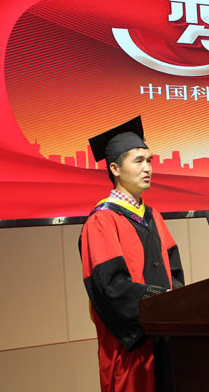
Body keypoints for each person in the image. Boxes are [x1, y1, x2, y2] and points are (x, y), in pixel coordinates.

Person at [79, 116, 184, 392]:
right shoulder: (102, 221)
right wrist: (160, 303)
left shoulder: (154, 216)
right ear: (115, 168)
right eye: (138, 161)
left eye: (149, 160)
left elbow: (174, 274)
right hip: (131, 349)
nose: (147, 168)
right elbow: (111, 288)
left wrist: (177, 305)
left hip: (165, 341)